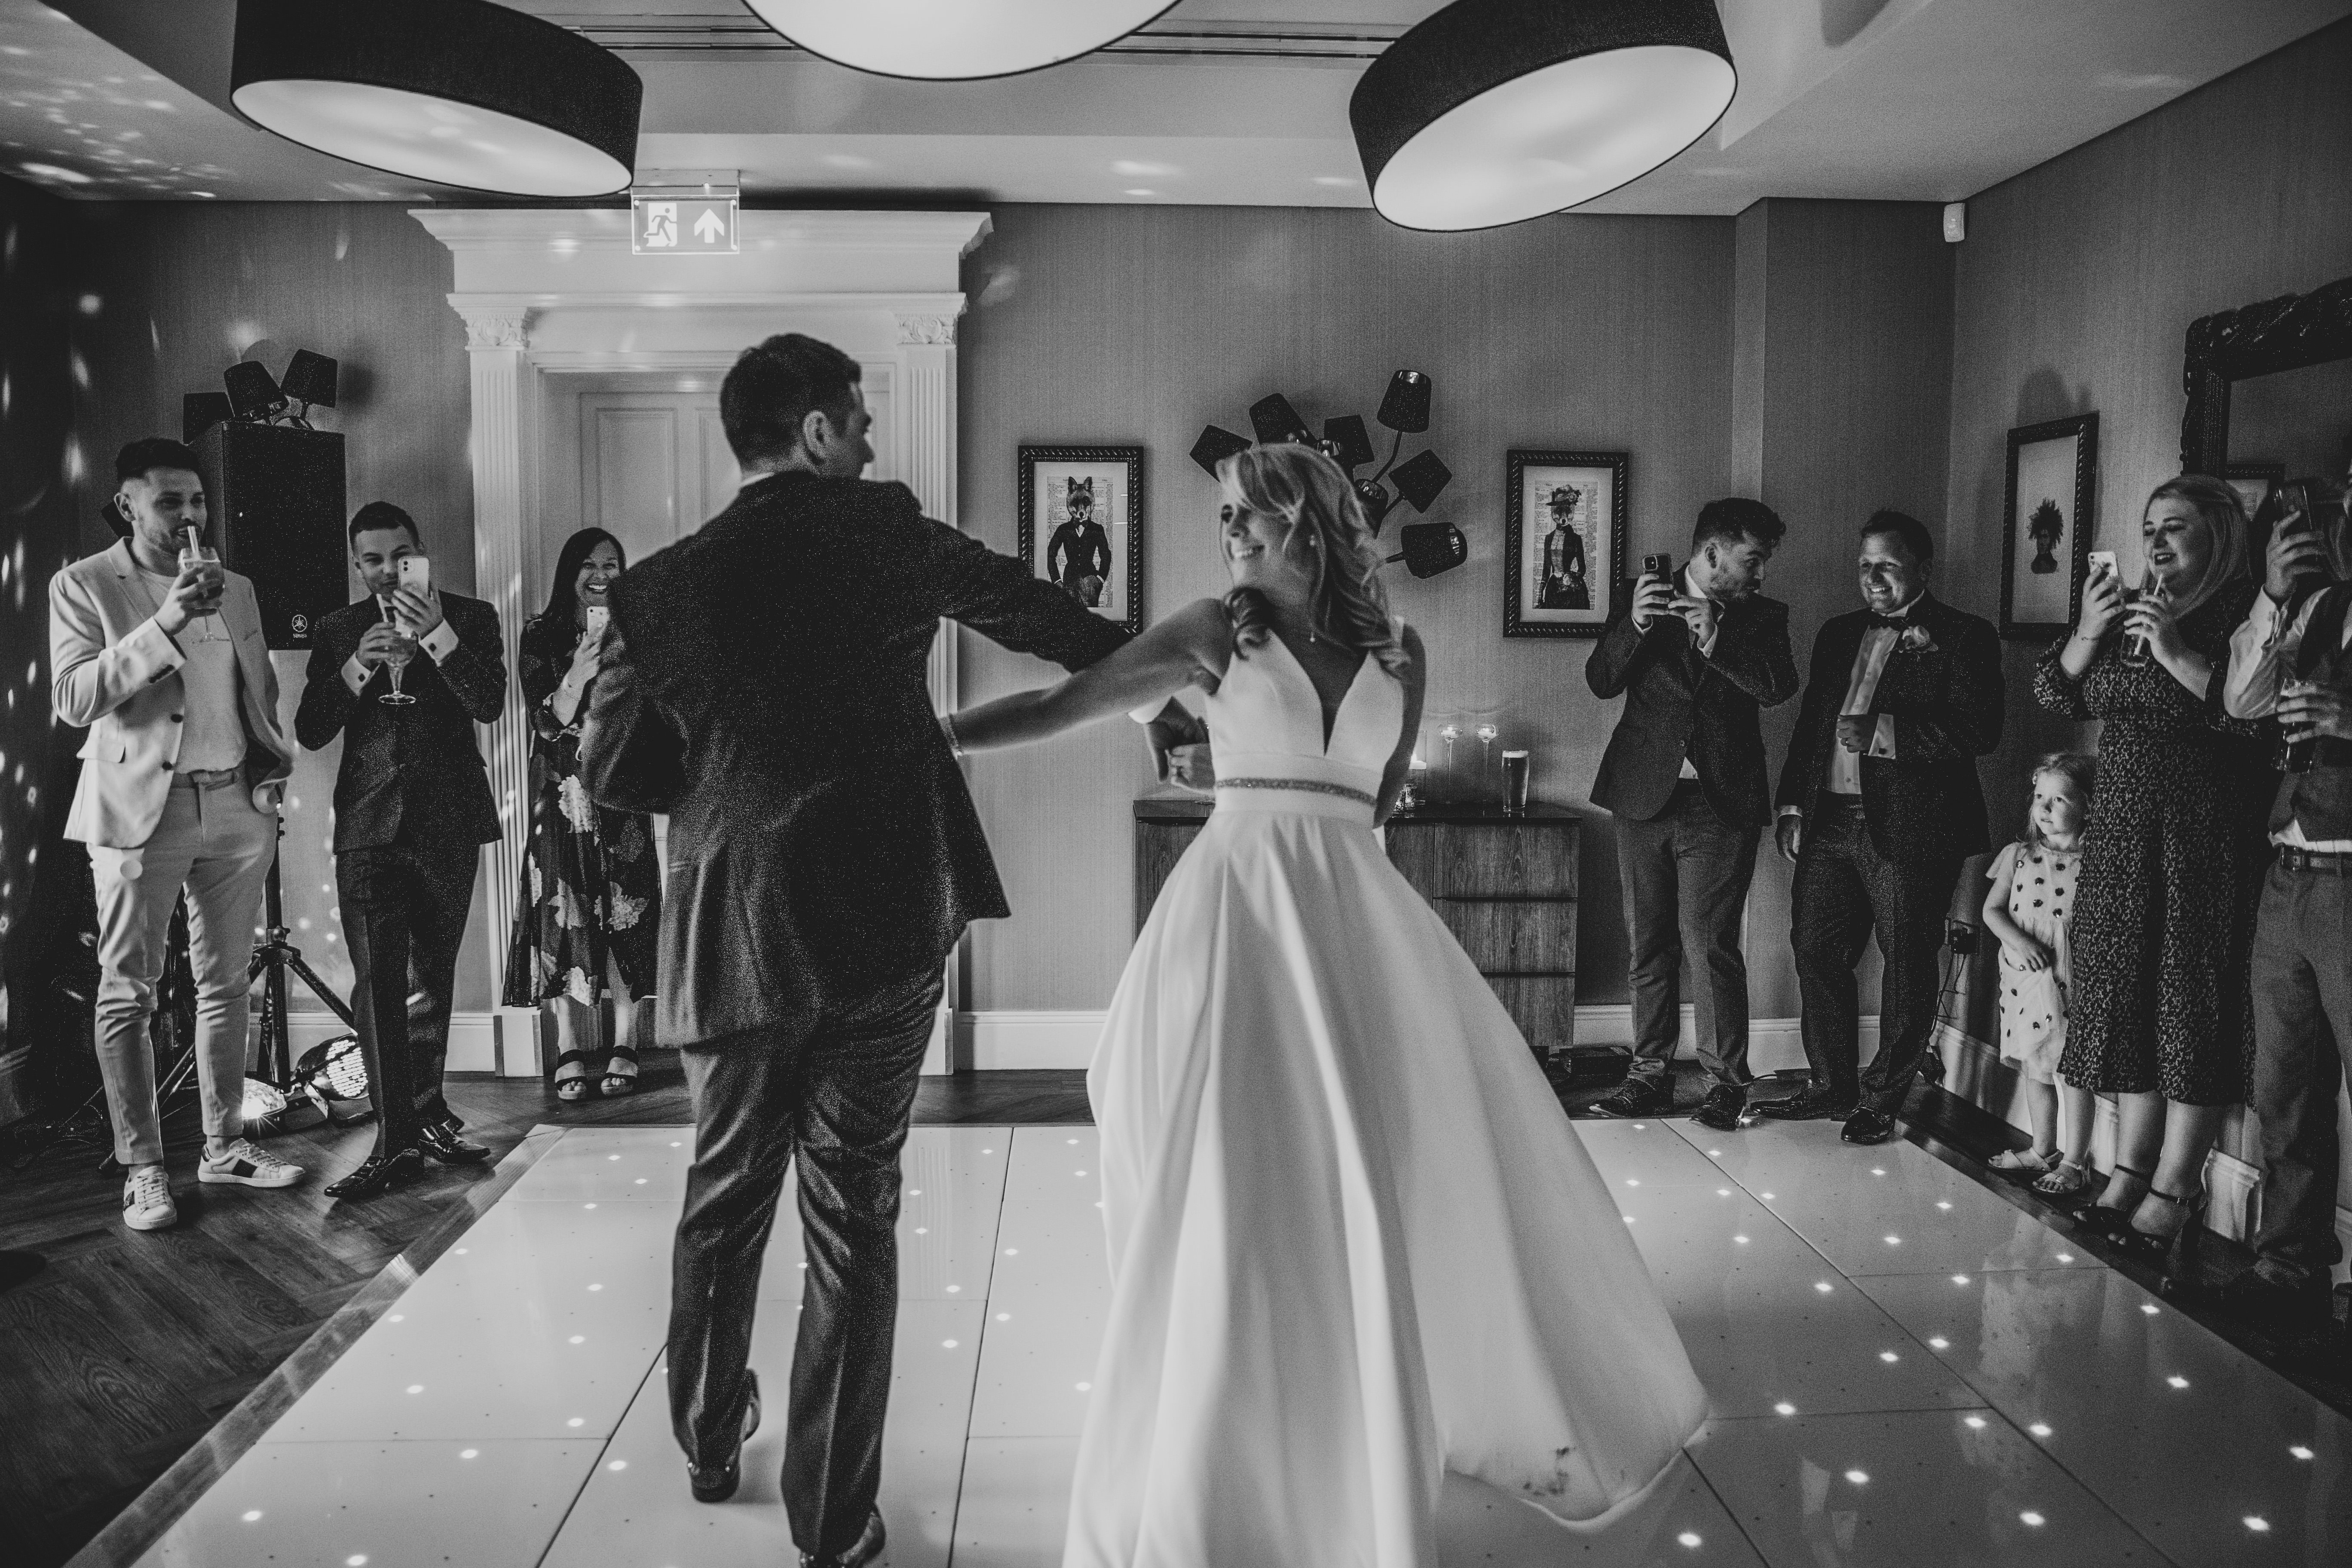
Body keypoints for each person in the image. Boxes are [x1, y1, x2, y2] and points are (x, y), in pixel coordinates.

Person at [945, 443, 1707, 1567]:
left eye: (1249, 513)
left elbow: (1380, 798)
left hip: (1355, 916)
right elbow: (1071, 700)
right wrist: (940, 740)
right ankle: (1231, 1421)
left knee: (1375, 1159)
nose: (1231, 534)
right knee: (1241, 1164)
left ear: (1310, 520)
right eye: (1226, 517)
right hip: (1240, 913)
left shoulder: (1405, 651)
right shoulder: (1214, 631)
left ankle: (1366, 1397)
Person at [578, 333, 1200, 1568]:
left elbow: (613, 773)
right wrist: (1173, 684)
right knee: (853, 1217)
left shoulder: (651, 590)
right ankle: (836, 1523)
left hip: (731, 922)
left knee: (722, 1194)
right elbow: (1046, 618)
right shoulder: (889, 530)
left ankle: (708, 1437)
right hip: (880, 916)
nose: (869, 443)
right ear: (815, 432)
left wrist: (722, 785)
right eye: (857, 421)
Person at [49, 437, 304, 1230]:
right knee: (130, 989)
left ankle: (225, 1145)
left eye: (197, 500)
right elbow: (72, 696)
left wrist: (272, 768)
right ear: (128, 504)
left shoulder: (242, 587)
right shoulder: (83, 584)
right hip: (137, 817)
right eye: (170, 502)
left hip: (235, 806)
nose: (191, 516)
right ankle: (144, 1166)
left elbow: (256, 689)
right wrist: (165, 620)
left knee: (228, 986)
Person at [2034, 475, 2267, 1283]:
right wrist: (2090, 629)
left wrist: (2172, 643)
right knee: (2125, 995)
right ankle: (2126, 1171)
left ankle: (2177, 1183)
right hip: (2122, 836)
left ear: (2220, 536)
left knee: (2186, 1001)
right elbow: (2052, 690)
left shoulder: (2245, 610)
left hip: (2201, 840)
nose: (2155, 542)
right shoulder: (2129, 605)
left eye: (2174, 528)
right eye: (2148, 527)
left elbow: (2254, 721)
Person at [1764, 511, 2004, 1145]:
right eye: (1865, 565)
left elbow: (1980, 730)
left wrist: (1887, 735)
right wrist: (1792, 805)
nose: (1873, 577)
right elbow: (1814, 727)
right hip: (1829, 825)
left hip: (1912, 828)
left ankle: (1882, 1096)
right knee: (1815, 949)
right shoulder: (1838, 634)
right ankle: (1830, 1084)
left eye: (1888, 566)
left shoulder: (1964, 635)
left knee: (1906, 960)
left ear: (1923, 570)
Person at [295, 502, 507, 1198]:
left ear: (422, 551)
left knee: (429, 980)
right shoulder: (337, 630)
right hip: (366, 828)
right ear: (358, 564)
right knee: (376, 982)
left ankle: (427, 1111)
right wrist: (358, 665)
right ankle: (395, 1144)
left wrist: (437, 636)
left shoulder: (471, 617)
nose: (388, 570)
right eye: (372, 559)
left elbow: (488, 703)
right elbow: (313, 727)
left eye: (400, 554)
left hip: (448, 823)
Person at [1585, 498, 1796, 1129]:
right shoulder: (1637, 596)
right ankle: (1647, 1075)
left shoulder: (1763, 617)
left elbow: (1778, 688)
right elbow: (1601, 680)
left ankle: (1726, 1082)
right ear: (1712, 552)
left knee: (1710, 945)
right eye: (1751, 560)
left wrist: (1718, 638)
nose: (1759, 574)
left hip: (1721, 803)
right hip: (1642, 798)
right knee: (1647, 943)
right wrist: (1638, 626)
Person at [2217, 485, 2352, 1338]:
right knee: (2285, 1086)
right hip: (2289, 865)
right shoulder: (2321, 603)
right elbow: (2242, 703)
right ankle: (2288, 1262)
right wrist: (2270, 595)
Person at [502, 527, 658, 1102]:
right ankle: (569, 1046)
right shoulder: (540, 635)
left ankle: (626, 1042)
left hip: (622, 798)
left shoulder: (639, 633)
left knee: (626, 918)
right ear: (570, 573)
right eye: (590, 565)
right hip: (561, 798)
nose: (601, 575)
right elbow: (546, 723)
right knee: (561, 920)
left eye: (612, 565)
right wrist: (578, 671)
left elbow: (651, 716)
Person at [1980, 753, 2097, 1196]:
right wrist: (2019, 941)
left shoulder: (2096, 862)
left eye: (2059, 799)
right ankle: (2041, 1147)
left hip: (2074, 979)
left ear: (2088, 806)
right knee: (2036, 1067)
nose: (2044, 809)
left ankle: (2074, 1162)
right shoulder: (2020, 855)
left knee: (2072, 1071)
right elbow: (1992, 911)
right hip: (2025, 978)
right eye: (2040, 798)